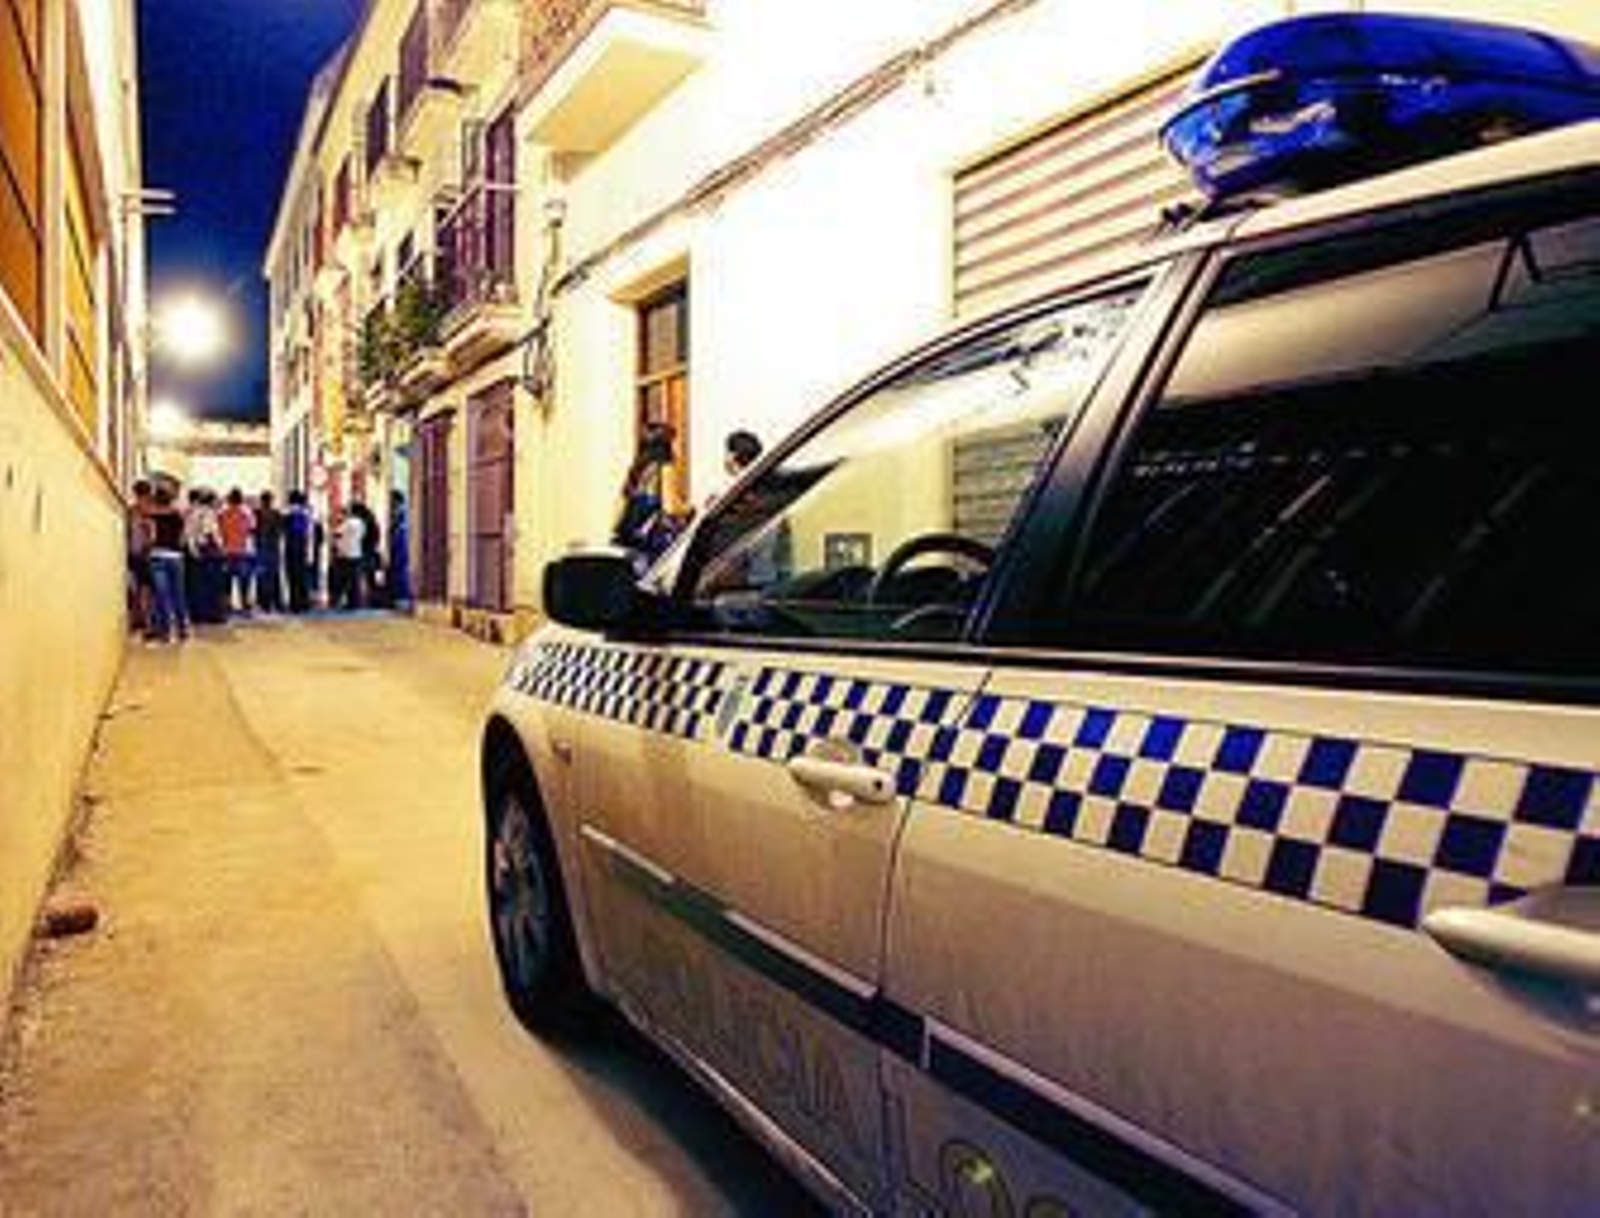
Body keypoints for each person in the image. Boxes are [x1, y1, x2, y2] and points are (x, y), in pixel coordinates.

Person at [613, 422, 689, 567]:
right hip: (652, 545)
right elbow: (669, 507)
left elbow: (618, 515)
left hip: (629, 543)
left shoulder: (636, 470)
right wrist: (689, 509)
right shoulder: (664, 467)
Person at [145, 485, 190, 643]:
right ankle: (183, 630)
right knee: (178, 594)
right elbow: (183, 538)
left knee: (161, 596)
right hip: (176, 557)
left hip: (157, 556)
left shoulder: (150, 515)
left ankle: (165, 633)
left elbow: (151, 538)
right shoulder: (179, 515)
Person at [183, 489, 226, 624]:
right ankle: (209, 614)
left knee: (201, 585)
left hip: (204, 551)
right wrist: (195, 550)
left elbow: (190, 533)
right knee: (209, 585)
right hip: (205, 550)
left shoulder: (199, 513)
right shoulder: (201, 513)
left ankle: (202, 614)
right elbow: (193, 534)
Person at [218, 488, 256, 614]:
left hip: (226, 551)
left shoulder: (222, 514)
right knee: (244, 581)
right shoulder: (247, 514)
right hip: (243, 551)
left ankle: (226, 605)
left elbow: (220, 532)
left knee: (226, 581)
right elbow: (252, 530)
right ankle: (245, 606)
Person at [126, 479, 155, 636]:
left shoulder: (131, 511)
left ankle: (137, 620)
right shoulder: (148, 511)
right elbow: (151, 536)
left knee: (136, 589)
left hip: (132, 554)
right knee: (146, 591)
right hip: (144, 554)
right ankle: (147, 624)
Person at [283, 491, 315, 613]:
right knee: (302, 575)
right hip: (304, 545)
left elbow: (284, 529)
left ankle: (294, 604)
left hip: (291, 545)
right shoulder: (307, 512)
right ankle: (304, 602)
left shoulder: (289, 512)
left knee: (292, 575)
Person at [331, 506, 368, 609]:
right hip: (357, 553)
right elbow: (363, 535)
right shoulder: (361, 523)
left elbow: (336, 534)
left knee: (343, 580)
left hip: (345, 554)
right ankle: (356, 602)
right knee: (355, 580)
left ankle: (343, 602)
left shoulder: (346, 523)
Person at [254, 490, 284, 613]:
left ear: (261, 501)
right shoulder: (277, 514)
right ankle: (276, 602)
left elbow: (253, 531)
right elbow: (281, 532)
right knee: (274, 576)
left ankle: (263, 603)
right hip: (273, 548)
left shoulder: (256, 513)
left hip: (261, 548)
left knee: (261, 576)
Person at [350, 499, 383, 606]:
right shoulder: (371, 520)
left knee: (361, 576)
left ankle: (363, 599)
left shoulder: (362, 522)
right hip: (370, 551)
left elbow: (362, 537)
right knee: (370, 577)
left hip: (364, 552)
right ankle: (372, 599)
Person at [386, 489, 412, 608]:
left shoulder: (401, 512)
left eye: (391, 500)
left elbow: (398, 527)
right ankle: (399, 597)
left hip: (401, 542)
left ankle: (401, 598)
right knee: (398, 570)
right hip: (399, 542)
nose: (390, 503)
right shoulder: (400, 511)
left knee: (400, 570)